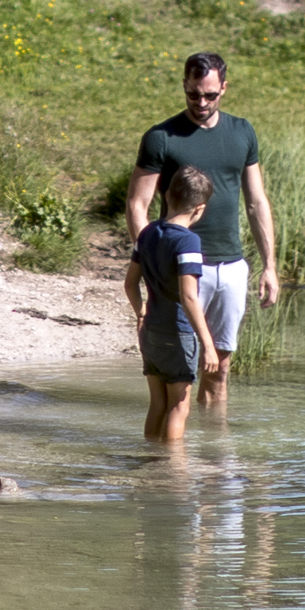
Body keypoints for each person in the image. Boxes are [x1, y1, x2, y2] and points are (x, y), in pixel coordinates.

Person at [122, 50, 278, 408]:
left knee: (219, 369)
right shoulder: (162, 137)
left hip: (231, 266)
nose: (201, 102)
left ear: (224, 87)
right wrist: (151, 263)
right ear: (184, 86)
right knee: (178, 374)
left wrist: (269, 266)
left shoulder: (242, 132)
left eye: (210, 94)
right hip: (182, 268)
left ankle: (216, 456)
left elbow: (256, 201)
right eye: (193, 93)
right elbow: (137, 204)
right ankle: (171, 457)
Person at [126, 164, 223, 445]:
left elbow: (129, 283)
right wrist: (207, 344)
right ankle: (170, 470)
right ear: (200, 209)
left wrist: (141, 313)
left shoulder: (147, 233)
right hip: (178, 332)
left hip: (152, 330)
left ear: (166, 196)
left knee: (157, 404)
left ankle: (149, 458)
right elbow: (189, 296)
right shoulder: (188, 242)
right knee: (179, 407)